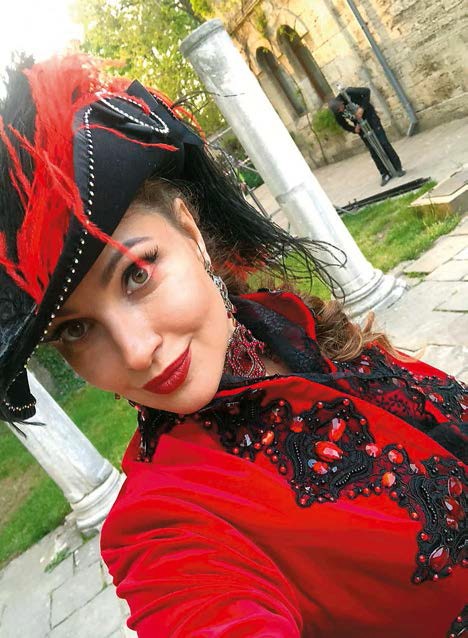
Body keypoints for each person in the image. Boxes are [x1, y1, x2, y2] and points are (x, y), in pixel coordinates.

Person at [0, 55, 466, 638]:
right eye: (75, 330)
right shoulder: (165, 522)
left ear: (191, 233)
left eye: (137, 274)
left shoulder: (288, 321)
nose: (136, 351)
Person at [329, 87, 405, 187]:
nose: (341, 110)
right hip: (361, 126)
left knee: (383, 143)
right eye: (339, 111)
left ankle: (398, 168)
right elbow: (343, 124)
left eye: (341, 108)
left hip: (371, 118)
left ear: (341, 103)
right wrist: (354, 129)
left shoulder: (348, 93)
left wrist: (362, 108)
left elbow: (367, 91)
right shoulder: (338, 113)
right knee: (373, 149)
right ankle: (384, 174)